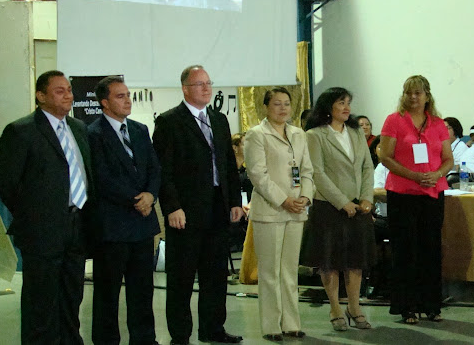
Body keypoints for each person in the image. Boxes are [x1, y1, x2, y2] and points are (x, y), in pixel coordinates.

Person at [0, 70, 95, 344]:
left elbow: (85, 173)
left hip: (76, 225)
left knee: (72, 294)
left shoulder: (78, 128)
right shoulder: (22, 131)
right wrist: (34, 215)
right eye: (60, 91)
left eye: (70, 91)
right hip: (41, 230)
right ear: (41, 96)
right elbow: (5, 182)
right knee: (41, 300)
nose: (69, 96)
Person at [152, 65, 244, 345]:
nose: (206, 88)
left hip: (218, 207)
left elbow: (228, 163)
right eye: (199, 84)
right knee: (182, 277)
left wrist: (235, 201)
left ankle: (212, 329)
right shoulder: (170, 121)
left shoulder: (218, 120)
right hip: (186, 211)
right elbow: (163, 170)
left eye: (208, 83)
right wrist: (172, 207)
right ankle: (180, 335)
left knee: (215, 274)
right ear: (185, 89)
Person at [88, 76, 161, 345]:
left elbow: (154, 168)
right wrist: (136, 199)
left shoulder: (140, 130)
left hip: (142, 224)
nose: (128, 100)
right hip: (113, 225)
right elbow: (101, 178)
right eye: (120, 96)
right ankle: (106, 340)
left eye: (128, 95)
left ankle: (144, 339)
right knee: (108, 291)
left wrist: (151, 195)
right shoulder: (93, 134)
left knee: (142, 289)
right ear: (104, 103)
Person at [380, 75, 453, 324]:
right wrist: (414, 175)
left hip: (432, 193)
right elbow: (385, 157)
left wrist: (437, 174)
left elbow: (448, 159)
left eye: (418, 93)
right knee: (405, 250)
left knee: (430, 249)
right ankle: (407, 306)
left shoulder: (438, 123)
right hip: (403, 194)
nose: (413, 97)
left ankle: (431, 305)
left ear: (427, 96)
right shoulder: (394, 121)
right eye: (409, 92)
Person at [302, 87, 376, 332]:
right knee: (329, 261)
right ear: (328, 107)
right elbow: (317, 173)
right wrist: (342, 202)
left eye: (348, 103)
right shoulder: (314, 135)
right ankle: (335, 307)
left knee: (356, 261)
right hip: (329, 207)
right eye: (341, 103)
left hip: (358, 205)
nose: (347, 107)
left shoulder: (355, 132)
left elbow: (367, 166)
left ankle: (354, 307)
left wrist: (366, 198)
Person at [244, 87, 314, 341]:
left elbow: (307, 170)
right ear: (266, 107)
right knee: (270, 271)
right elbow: (258, 175)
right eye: (277, 104)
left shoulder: (298, 134)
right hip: (270, 210)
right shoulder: (256, 135)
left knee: (289, 270)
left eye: (286, 104)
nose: (283, 108)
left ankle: (291, 322)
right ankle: (271, 325)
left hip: (297, 209)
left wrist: (305, 196)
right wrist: (284, 200)